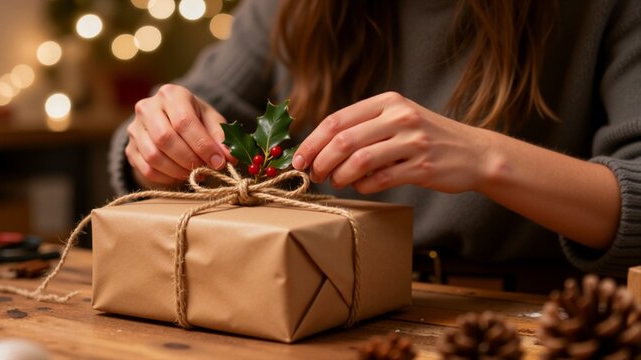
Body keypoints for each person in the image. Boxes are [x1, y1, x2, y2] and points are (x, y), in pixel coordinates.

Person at [108, 0, 641, 286]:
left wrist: (487, 160)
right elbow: (165, 122)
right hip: (323, 304)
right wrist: (159, 147)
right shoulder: (286, 10)